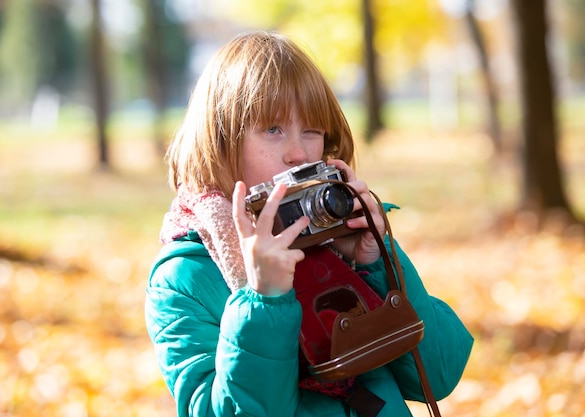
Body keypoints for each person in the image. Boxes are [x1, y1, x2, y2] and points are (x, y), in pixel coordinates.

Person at [145, 30, 473, 417]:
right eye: (273, 129)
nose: (299, 153)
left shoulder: (338, 238)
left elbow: (437, 374)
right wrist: (262, 301)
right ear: (220, 140)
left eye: (312, 131)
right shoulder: (184, 278)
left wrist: (379, 263)